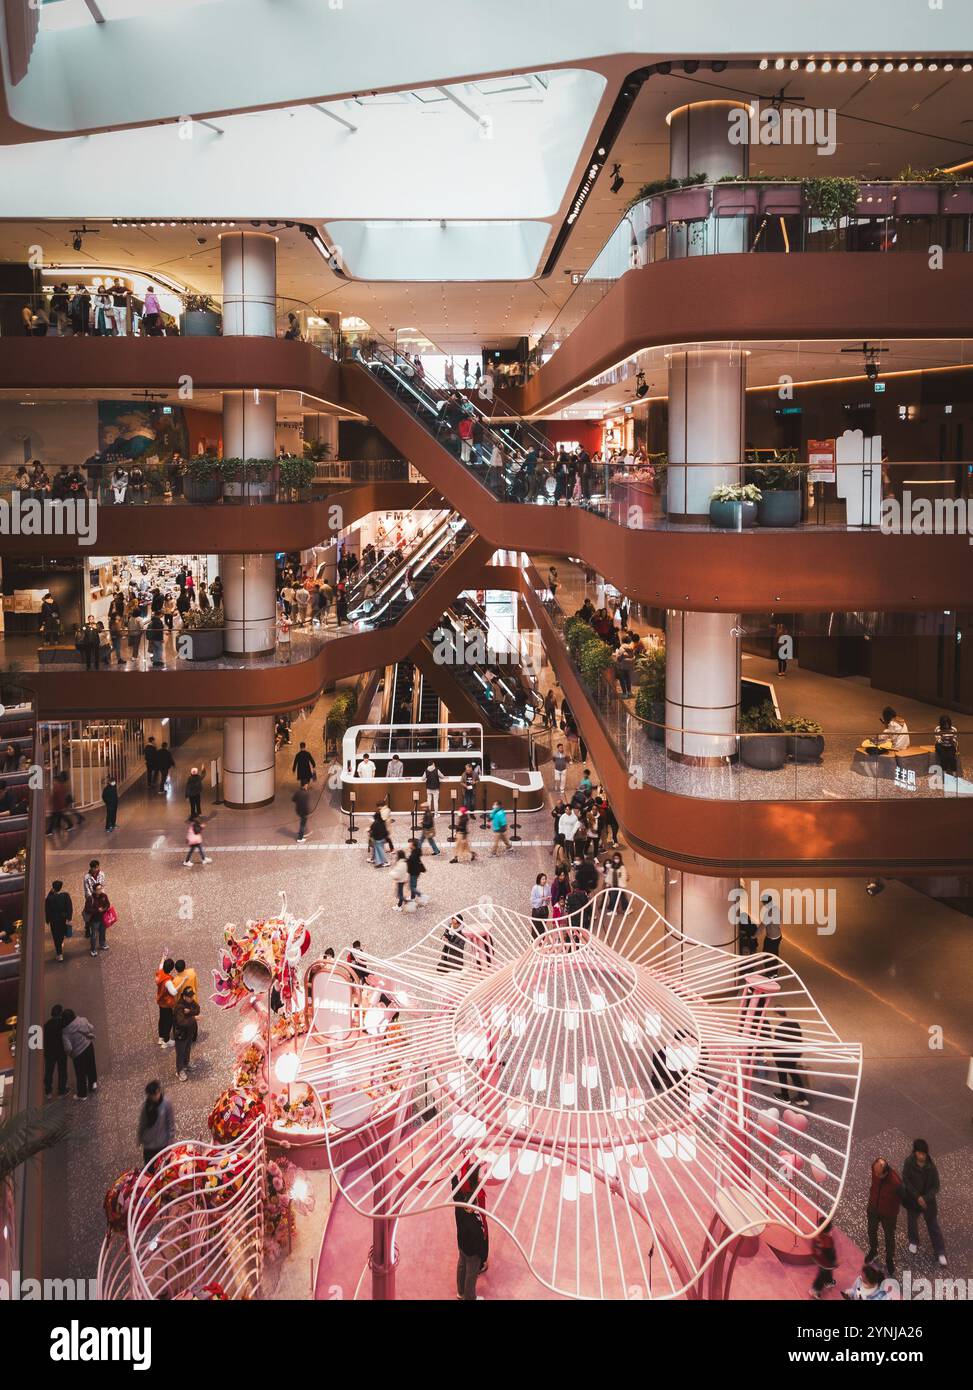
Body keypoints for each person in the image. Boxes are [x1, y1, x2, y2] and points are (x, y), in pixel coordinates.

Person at [902, 1138, 947, 1266]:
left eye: (924, 1153)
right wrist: (917, 1197)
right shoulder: (909, 1163)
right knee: (912, 1222)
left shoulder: (931, 1167)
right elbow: (906, 1180)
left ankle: (940, 1251)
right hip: (913, 1200)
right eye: (919, 1153)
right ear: (915, 1152)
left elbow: (936, 1186)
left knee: (933, 1225)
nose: (921, 1156)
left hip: (928, 1202)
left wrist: (925, 1198)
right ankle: (914, 1241)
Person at [452, 1166, 489, 1300]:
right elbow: (479, 1239)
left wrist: (453, 1177)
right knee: (471, 1275)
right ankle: (470, 1298)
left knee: (461, 1266)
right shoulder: (474, 1221)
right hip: (472, 1251)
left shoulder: (459, 1204)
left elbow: (456, 1193)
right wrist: (482, 1255)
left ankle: (460, 1292)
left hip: (461, 1243)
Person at [865, 1157, 902, 1277]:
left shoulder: (896, 1183)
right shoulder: (875, 1169)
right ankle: (873, 1250)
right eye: (874, 1171)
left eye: (878, 1173)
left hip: (888, 1213)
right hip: (874, 1207)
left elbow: (902, 1198)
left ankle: (889, 1259)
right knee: (871, 1230)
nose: (875, 1174)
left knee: (889, 1237)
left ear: (885, 1172)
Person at [60, 1009, 97, 1100]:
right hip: (88, 1046)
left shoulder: (65, 1032)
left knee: (80, 1073)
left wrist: (70, 1054)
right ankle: (93, 1083)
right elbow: (91, 1028)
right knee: (91, 1065)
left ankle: (82, 1094)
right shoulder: (82, 1020)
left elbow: (68, 1048)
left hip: (78, 1054)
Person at [772, 1010, 806, 1105]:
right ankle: (802, 1098)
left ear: (777, 1015)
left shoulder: (779, 1028)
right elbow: (799, 1041)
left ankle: (785, 1097)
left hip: (783, 1057)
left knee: (782, 1076)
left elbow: (777, 1045)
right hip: (794, 1055)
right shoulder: (795, 1024)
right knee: (794, 1074)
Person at [137, 1081, 175, 1165]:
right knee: (149, 1166)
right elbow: (142, 1122)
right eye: (154, 1095)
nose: (156, 1096)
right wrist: (140, 1137)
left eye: (157, 1093)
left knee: (164, 1167)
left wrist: (170, 1143)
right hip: (149, 1144)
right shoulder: (146, 1105)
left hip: (162, 1143)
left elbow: (171, 1124)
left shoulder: (166, 1104)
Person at [172, 988, 200, 1081]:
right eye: (189, 997)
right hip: (181, 1034)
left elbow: (197, 1009)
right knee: (180, 1053)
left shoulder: (191, 1002)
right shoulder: (179, 1007)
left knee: (187, 1049)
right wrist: (193, 1018)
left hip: (189, 1033)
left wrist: (190, 1012)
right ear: (184, 996)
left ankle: (186, 1064)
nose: (192, 998)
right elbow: (181, 1022)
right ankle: (179, 1071)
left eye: (192, 996)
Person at [43, 1004, 70, 1099]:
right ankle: (61, 1091)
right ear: (60, 1013)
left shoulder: (47, 1024)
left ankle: (48, 1091)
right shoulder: (62, 1023)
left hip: (49, 1052)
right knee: (62, 1070)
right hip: (60, 1051)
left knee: (49, 1071)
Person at [44, 879, 73, 962]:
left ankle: (59, 954)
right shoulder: (65, 895)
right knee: (62, 932)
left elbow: (47, 910)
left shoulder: (49, 899)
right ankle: (61, 943)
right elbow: (69, 907)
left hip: (54, 920)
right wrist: (69, 918)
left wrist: (47, 920)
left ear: (53, 888)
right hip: (63, 919)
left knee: (56, 936)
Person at [809, 1218, 839, 1298]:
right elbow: (831, 1253)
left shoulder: (816, 1235)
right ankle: (815, 1290)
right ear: (829, 1229)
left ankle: (829, 1281)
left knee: (827, 1272)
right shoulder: (828, 1241)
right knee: (821, 1276)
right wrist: (835, 1262)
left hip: (818, 1259)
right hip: (826, 1263)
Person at [82, 860, 105, 939]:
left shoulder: (102, 874)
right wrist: (91, 897)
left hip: (100, 897)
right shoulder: (87, 877)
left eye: (97, 867)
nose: (97, 869)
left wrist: (102, 895)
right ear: (91, 868)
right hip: (91, 899)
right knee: (89, 914)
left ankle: (98, 926)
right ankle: (87, 928)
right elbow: (86, 889)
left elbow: (103, 885)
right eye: (95, 868)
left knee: (99, 912)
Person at [156, 955, 176, 1047]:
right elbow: (173, 992)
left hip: (160, 1002)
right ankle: (166, 1040)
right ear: (171, 969)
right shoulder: (168, 980)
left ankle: (161, 1037)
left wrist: (163, 957)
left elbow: (160, 964)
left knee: (162, 1019)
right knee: (168, 1021)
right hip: (167, 1003)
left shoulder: (160, 973)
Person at [88, 889, 112, 955]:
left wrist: (105, 908)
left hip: (103, 918)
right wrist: (97, 910)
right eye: (98, 889)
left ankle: (102, 944)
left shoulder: (104, 896)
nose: (100, 890)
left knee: (103, 931)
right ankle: (93, 949)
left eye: (101, 888)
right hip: (94, 920)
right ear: (94, 891)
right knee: (94, 935)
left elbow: (108, 904)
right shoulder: (90, 898)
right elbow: (88, 909)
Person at [406, 839, 427, 905]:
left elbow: (410, 862)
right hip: (415, 871)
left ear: (413, 845)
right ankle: (412, 897)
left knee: (412, 887)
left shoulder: (414, 855)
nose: (409, 844)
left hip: (414, 872)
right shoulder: (416, 851)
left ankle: (422, 896)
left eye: (410, 843)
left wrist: (406, 861)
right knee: (413, 886)